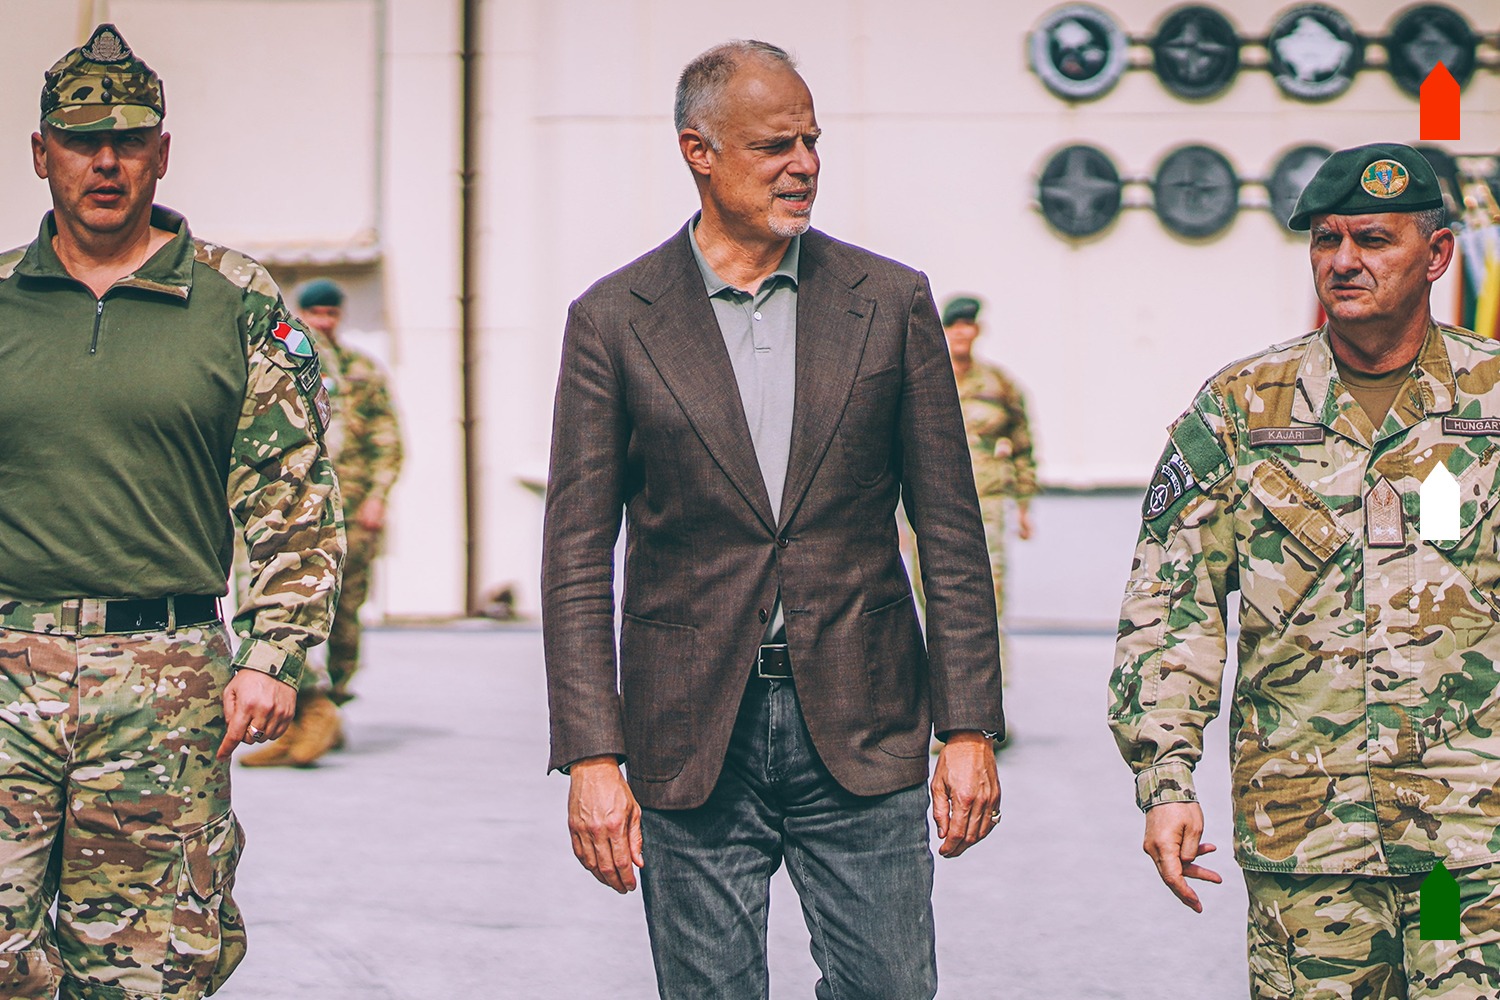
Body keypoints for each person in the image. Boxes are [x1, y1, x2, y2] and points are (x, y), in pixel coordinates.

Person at [542, 39, 1004, 999]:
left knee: (891, 988)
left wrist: (968, 727)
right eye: (774, 146)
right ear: (698, 152)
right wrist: (591, 752)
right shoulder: (614, 319)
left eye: (812, 141)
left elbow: (952, 532)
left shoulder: (890, 301)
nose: (804, 165)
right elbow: (577, 556)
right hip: (688, 733)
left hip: (865, 720)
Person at [1109, 142, 1500, 998]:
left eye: (1373, 239)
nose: (1344, 261)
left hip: (1465, 852)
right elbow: (1171, 606)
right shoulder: (1243, 408)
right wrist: (1165, 780)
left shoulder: (1492, 402)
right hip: (1310, 844)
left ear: (1437, 254)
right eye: (1327, 239)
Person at [0, 25, 343, 999]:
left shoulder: (235, 302)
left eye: (129, 139)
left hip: (166, 679)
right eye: (81, 140)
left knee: (145, 970)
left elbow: (291, 489)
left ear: (163, 152)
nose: (105, 161)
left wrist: (274, 652)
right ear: (42, 154)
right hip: (5, 664)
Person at [240, 278, 402, 766]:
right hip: (292, 510)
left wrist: (377, 497)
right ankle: (305, 710)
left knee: (346, 611)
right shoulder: (280, 362)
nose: (323, 322)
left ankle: (331, 707)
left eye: (331, 314)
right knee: (285, 601)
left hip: (351, 511)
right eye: (315, 314)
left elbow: (387, 439)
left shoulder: (361, 370)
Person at [939, 295, 1038, 643]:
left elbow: (1022, 444)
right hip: (935, 503)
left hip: (988, 502)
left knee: (989, 593)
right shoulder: (927, 380)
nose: (961, 332)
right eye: (954, 325)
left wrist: (1024, 505)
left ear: (977, 330)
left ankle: (993, 671)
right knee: (933, 594)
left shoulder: (999, 384)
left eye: (967, 325)